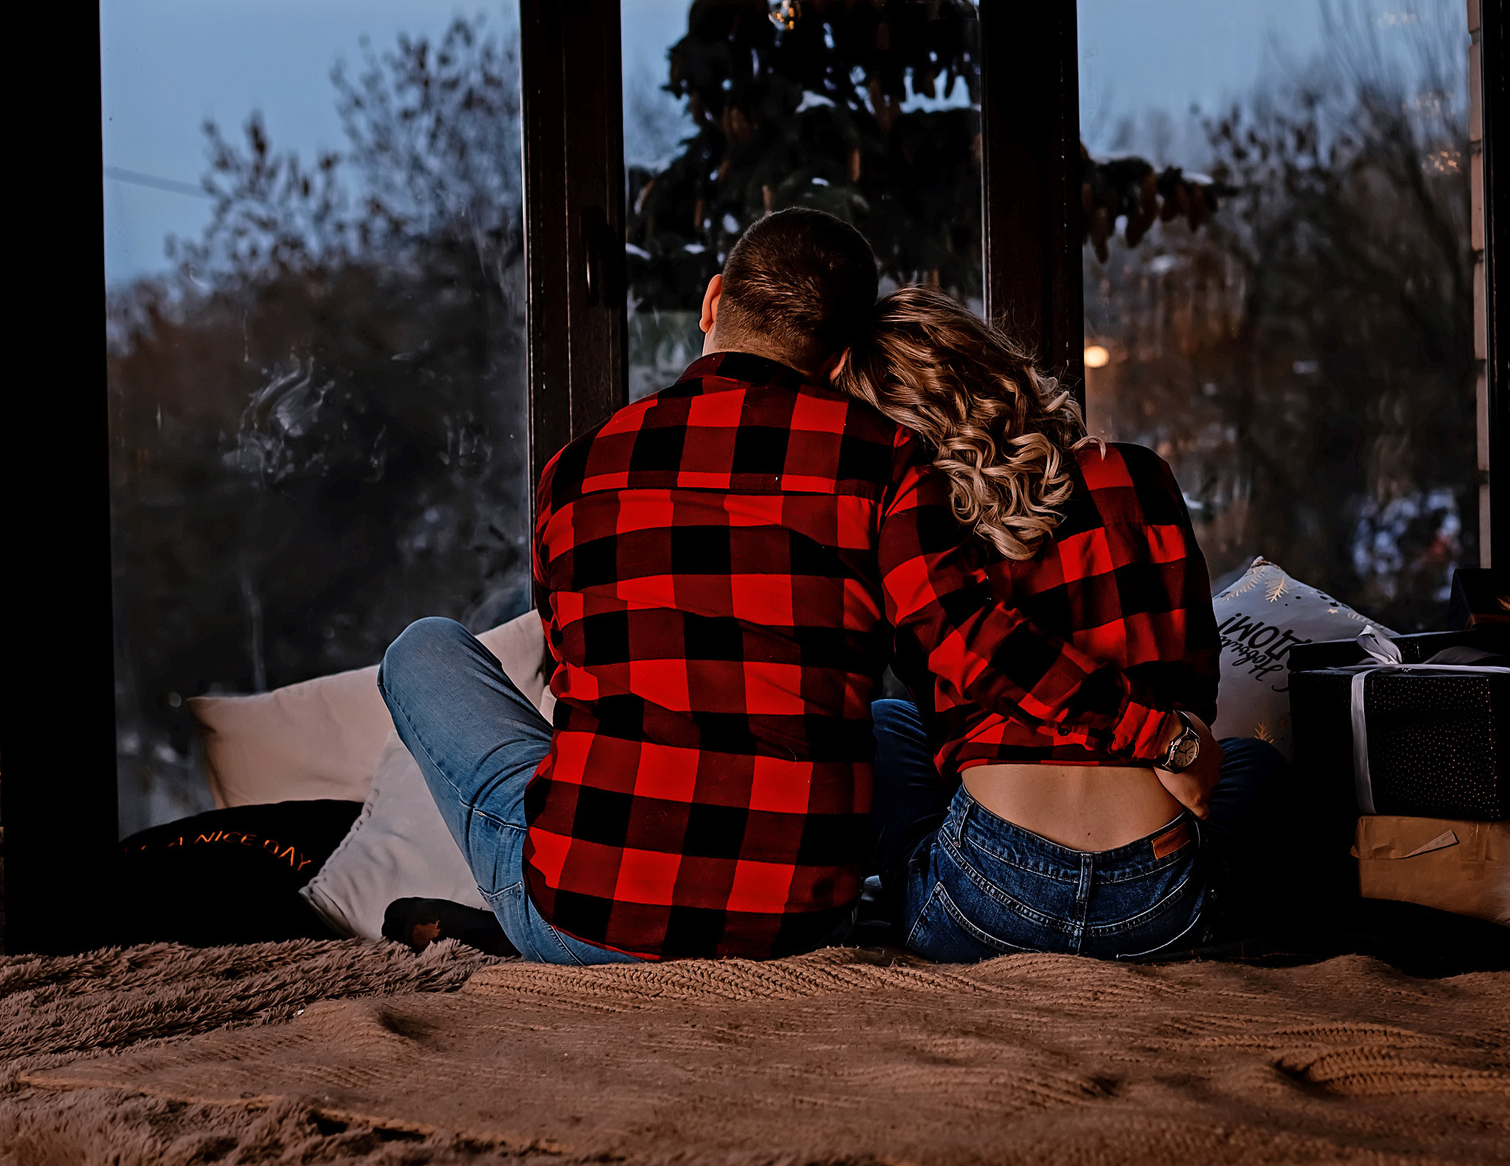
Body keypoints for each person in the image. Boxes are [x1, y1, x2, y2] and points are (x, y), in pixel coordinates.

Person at [376, 209, 1188, 964]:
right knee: (886, 719)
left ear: (713, 301)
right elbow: (959, 639)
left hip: (588, 916)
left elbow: (570, 676)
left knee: (422, 650)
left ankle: (530, 923)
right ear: (841, 360)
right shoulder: (888, 462)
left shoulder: (575, 468)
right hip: (797, 927)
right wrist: (1156, 734)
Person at [840, 285, 1279, 962]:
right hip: (1157, 899)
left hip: (984, 899)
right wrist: (1161, 737)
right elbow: (1193, 686)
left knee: (886, 722)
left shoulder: (913, 530)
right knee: (1257, 764)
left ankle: (903, 888)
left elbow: (943, 697)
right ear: (990, 364)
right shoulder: (1139, 474)